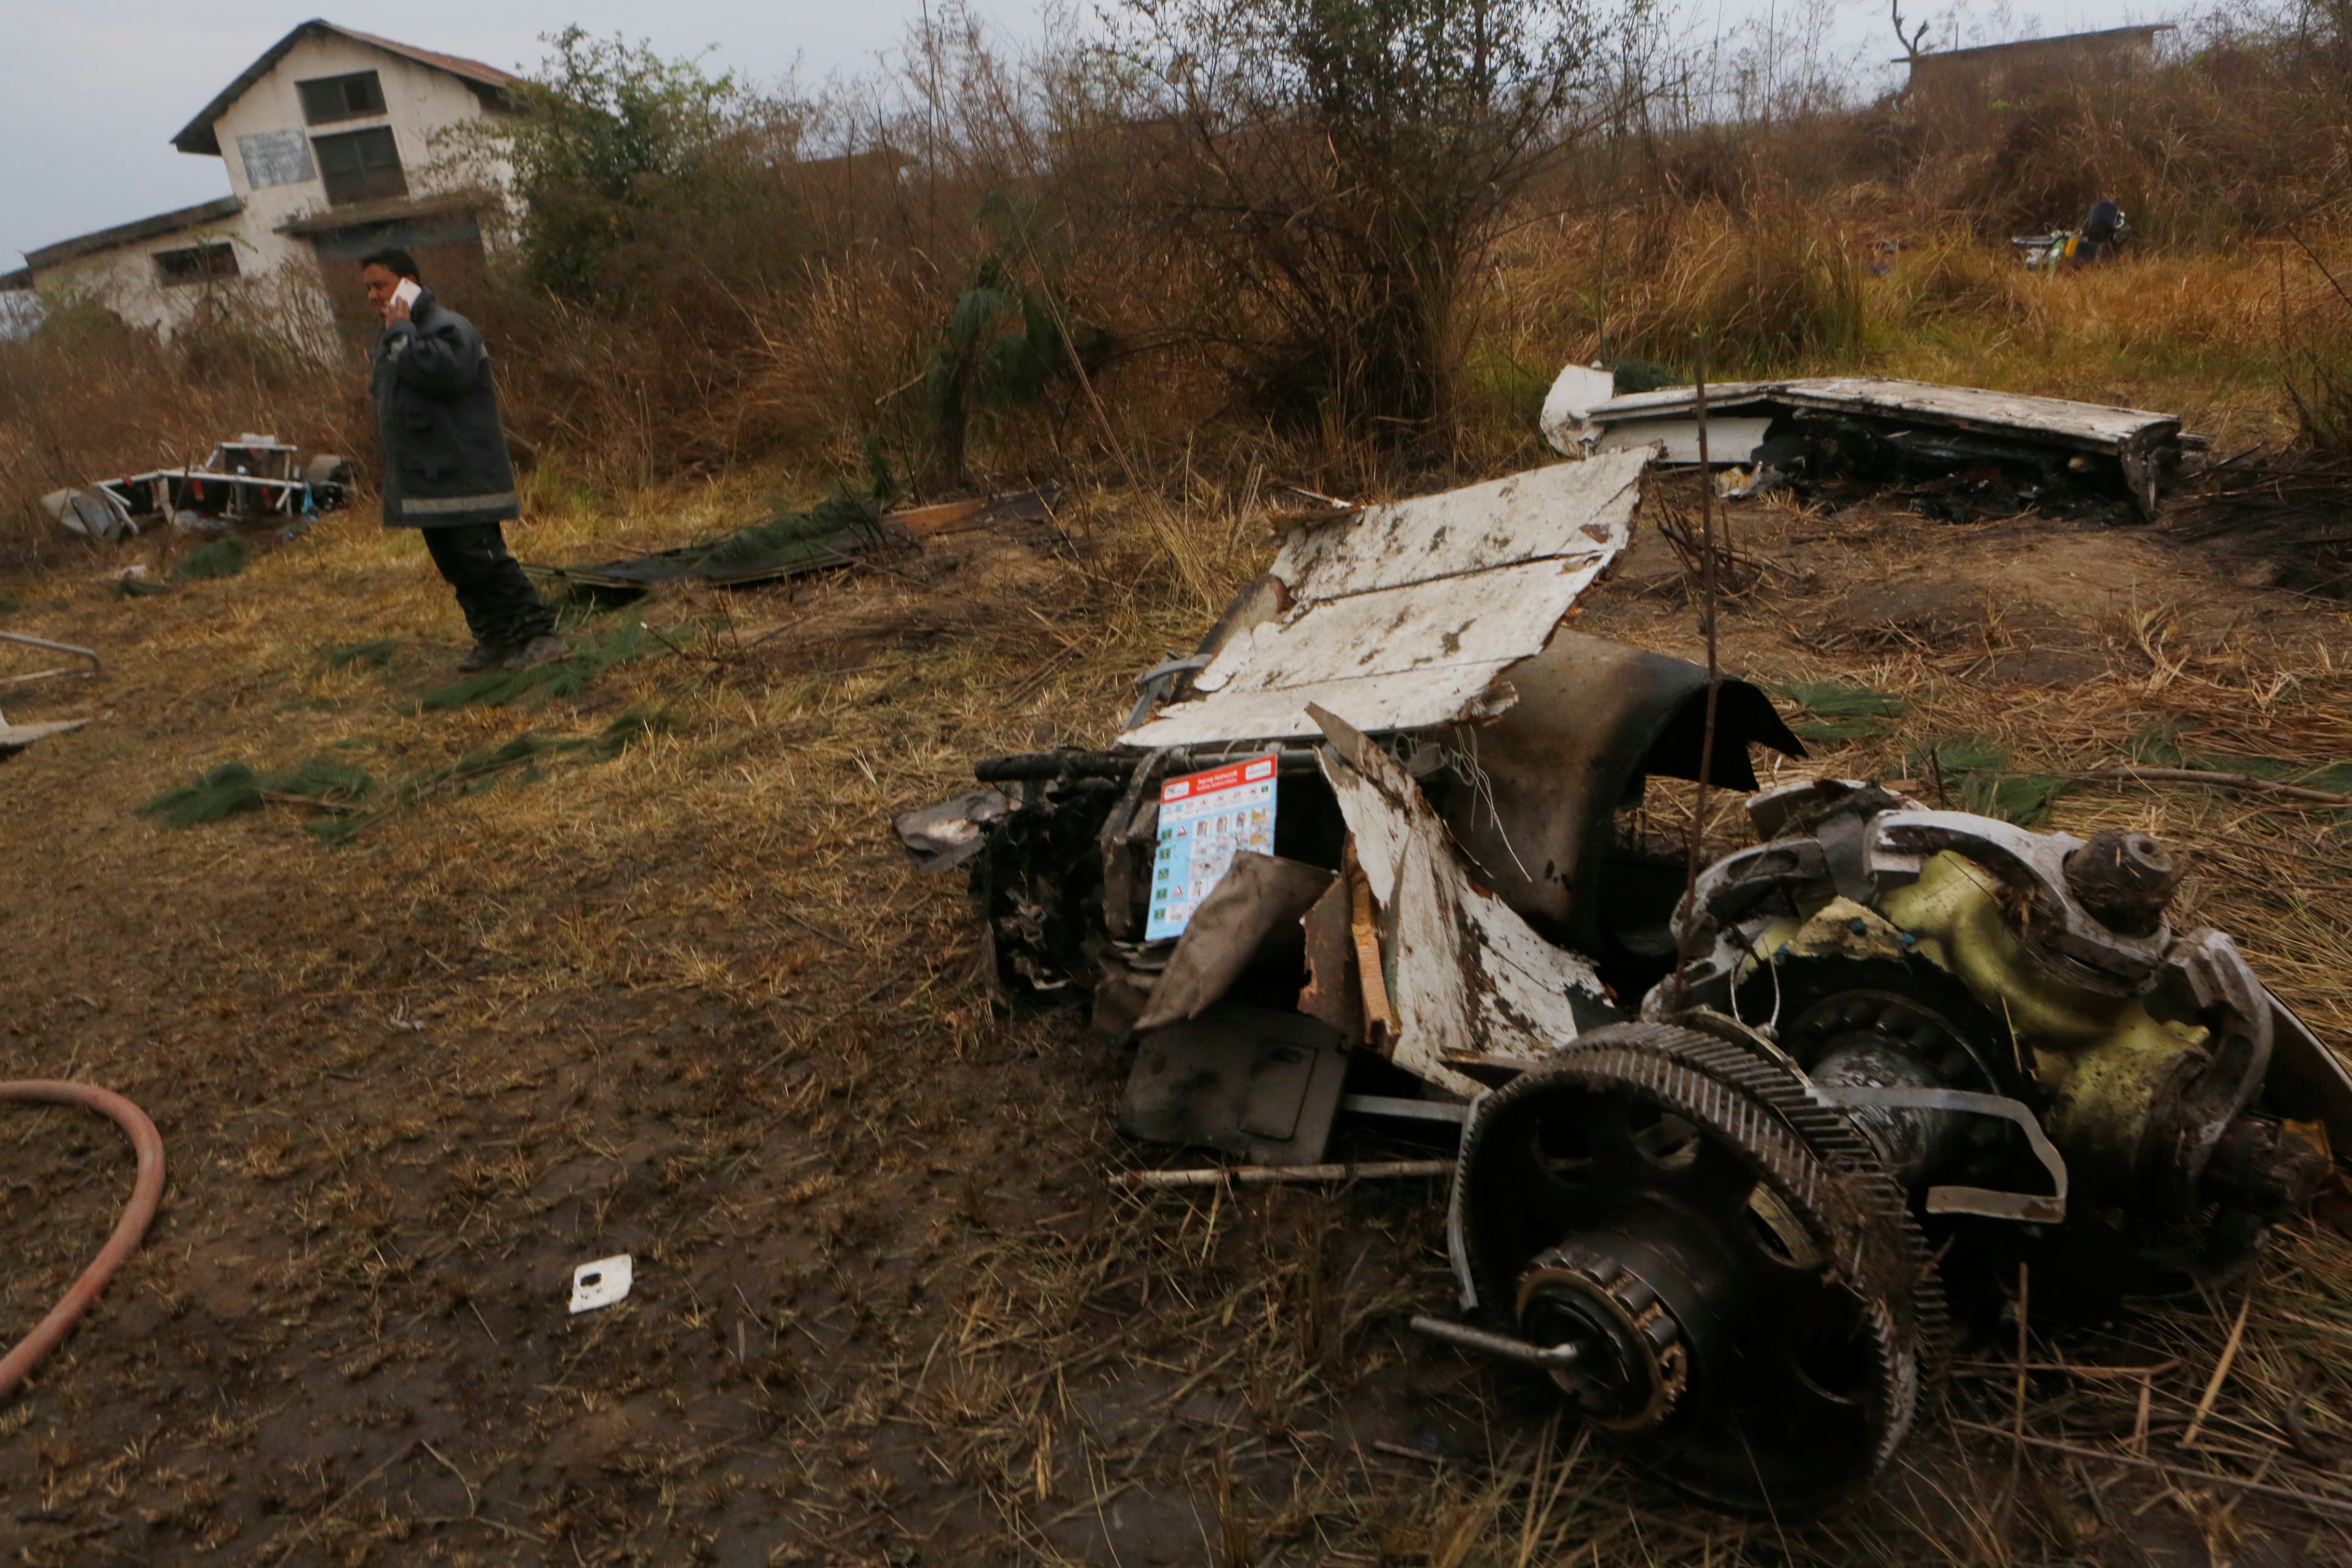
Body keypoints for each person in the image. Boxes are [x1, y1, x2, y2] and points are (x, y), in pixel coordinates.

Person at [360, 247, 565, 671]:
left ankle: (540, 635)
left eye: (379, 284)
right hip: (425, 481)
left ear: (409, 281)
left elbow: (442, 375)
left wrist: (399, 334)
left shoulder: (449, 327)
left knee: (484, 559)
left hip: (463, 475)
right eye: (367, 288)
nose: (373, 295)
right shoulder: (392, 335)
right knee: (456, 566)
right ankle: (494, 639)